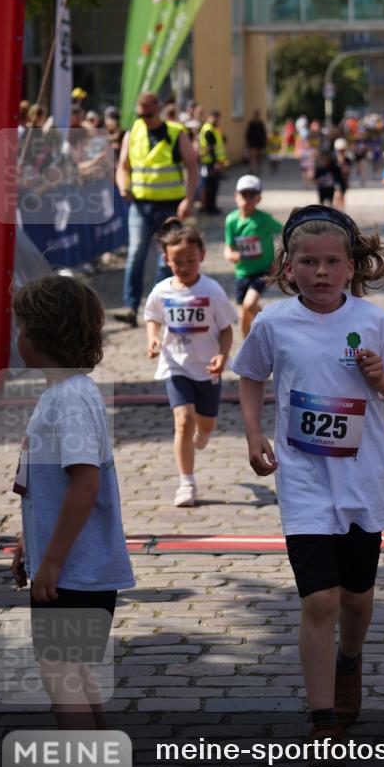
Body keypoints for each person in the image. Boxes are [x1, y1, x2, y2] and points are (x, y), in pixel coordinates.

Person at [233, 205, 384, 742]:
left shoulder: (373, 322)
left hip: (361, 480)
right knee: (320, 600)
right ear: (287, 268)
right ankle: (323, 724)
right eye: (307, 262)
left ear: (352, 267)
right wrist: (251, 432)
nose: (319, 272)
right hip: (304, 480)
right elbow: (248, 374)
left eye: (332, 261)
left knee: (357, 599)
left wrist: (382, 378)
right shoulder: (272, 323)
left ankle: (349, 660)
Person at [10, 275, 135, 729]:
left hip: (76, 573)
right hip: (72, 568)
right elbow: (54, 489)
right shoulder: (65, 394)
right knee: (75, 669)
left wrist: (53, 564)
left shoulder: (69, 400)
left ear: (41, 335)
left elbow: (85, 486)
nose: (16, 337)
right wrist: (32, 545)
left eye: (21, 327)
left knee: (58, 672)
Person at [144, 220, 237, 507]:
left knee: (205, 425)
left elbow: (225, 328)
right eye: (177, 262)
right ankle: (187, 483)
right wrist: (152, 339)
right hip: (176, 365)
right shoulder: (161, 291)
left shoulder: (212, 291)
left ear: (202, 257)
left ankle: (204, 432)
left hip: (207, 367)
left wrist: (222, 355)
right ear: (166, 260)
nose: (184, 267)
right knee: (182, 421)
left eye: (190, 261)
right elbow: (153, 317)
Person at [113, 92, 199, 327]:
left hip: (170, 206)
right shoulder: (133, 133)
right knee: (134, 256)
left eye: (149, 114)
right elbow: (122, 167)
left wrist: (188, 200)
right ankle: (131, 308)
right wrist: (123, 185)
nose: (145, 119)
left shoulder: (175, 133)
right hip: (140, 206)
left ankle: (161, 307)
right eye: (140, 115)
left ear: (158, 109)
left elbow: (192, 166)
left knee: (167, 260)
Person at [224, 174, 282, 339]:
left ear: (258, 198)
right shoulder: (231, 220)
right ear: (236, 196)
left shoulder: (264, 220)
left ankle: (268, 323)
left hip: (263, 270)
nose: (247, 199)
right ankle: (247, 346)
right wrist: (231, 254)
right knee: (245, 313)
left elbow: (284, 233)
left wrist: (280, 260)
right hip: (242, 273)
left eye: (252, 195)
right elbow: (228, 247)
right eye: (244, 194)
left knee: (249, 305)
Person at [199, 110, 228, 215]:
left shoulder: (212, 129)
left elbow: (223, 140)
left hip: (212, 162)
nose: (217, 120)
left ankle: (211, 206)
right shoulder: (208, 130)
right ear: (211, 117)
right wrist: (216, 162)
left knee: (212, 186)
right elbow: (210, 148)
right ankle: (210, 208)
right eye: (216, 118)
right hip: (210, 163)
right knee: (211, 186)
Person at [245, 109, 267, 176]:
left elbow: (264, 133)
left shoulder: (261, 124)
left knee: (259, 157)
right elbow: (248, 134)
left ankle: (258, 169)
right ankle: (251, 169)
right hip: (252, 142)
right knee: (252, 156)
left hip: (259, 142)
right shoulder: (251, 124)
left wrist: (264, 142)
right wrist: (248, 142)